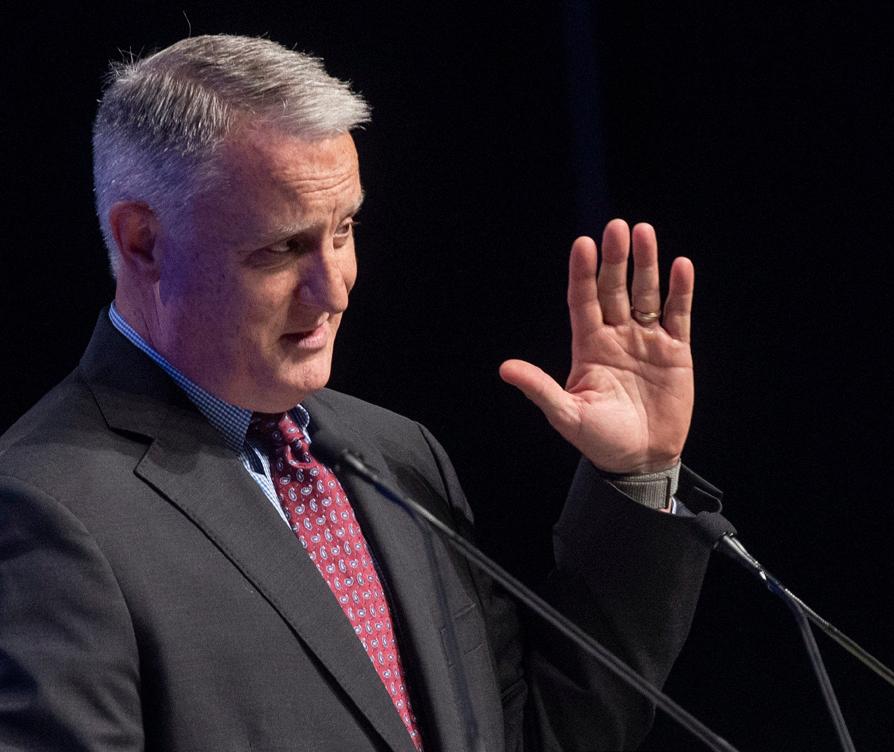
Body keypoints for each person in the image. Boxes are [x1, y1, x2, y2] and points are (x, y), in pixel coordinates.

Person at [0, 35, 725, 751]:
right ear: (144, 242)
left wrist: (636, 475)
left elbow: (530, 736)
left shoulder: (396, 454)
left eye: (343, 230)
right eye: (283, 247)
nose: (335, 288)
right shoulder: (43, 510)